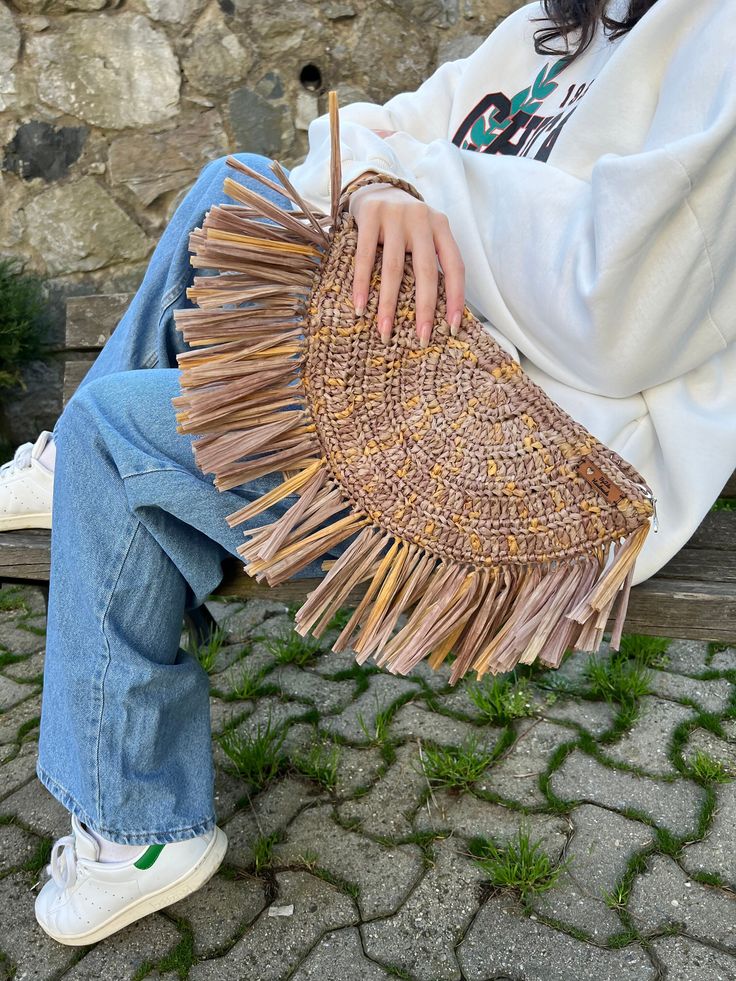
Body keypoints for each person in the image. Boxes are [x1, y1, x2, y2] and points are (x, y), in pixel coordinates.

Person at [0, 0, 731, 947]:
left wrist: (408, 179)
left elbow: (620, 309)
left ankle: (140, 828)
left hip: (546, 464)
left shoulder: (713, 33)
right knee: (236, 181)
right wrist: (380, 185)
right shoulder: (563, 27)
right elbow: (366, 132)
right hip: (437, 375)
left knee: (117, 429)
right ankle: (73, 481)